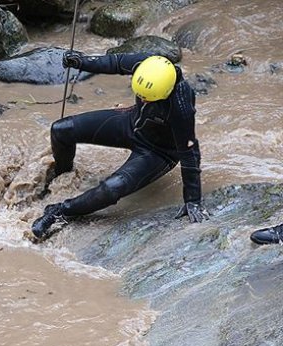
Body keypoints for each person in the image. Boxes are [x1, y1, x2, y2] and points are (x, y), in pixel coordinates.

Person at [32, 52, 209, 240]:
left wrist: (193, 200)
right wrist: (81, 62)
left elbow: (189, 151)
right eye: (140, 96)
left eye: (148, 98)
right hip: (132, 123)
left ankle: (60, 211)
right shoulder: (148, 65)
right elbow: (113, 62)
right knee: (61, 129)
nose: (144, 100)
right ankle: (62, 174)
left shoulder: (181, 105)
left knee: (113, 187)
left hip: (158, 152)